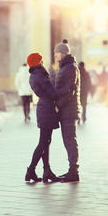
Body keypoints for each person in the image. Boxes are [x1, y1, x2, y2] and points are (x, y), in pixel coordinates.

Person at [25, 52, 70, 183]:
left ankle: (46, 171)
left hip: (43, 109)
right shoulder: (40, 75)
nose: (43, 61)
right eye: (41, 59)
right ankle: (31, 171)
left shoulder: (34, 75)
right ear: (37, 62)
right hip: (47, 109)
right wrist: (68, 88)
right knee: (43, 142)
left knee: (46, 142)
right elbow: (53, 93)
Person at [53, 39, 81, 182]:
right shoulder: (65, 66)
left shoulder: (70, 68)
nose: (55, 54)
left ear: (64, 53)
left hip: (69, 110)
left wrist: (58, 105)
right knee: (67, 140)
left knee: (70, 140)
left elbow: (70, 91)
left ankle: (74, 172)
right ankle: (71, 170)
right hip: (66, 110)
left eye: (57, 52)